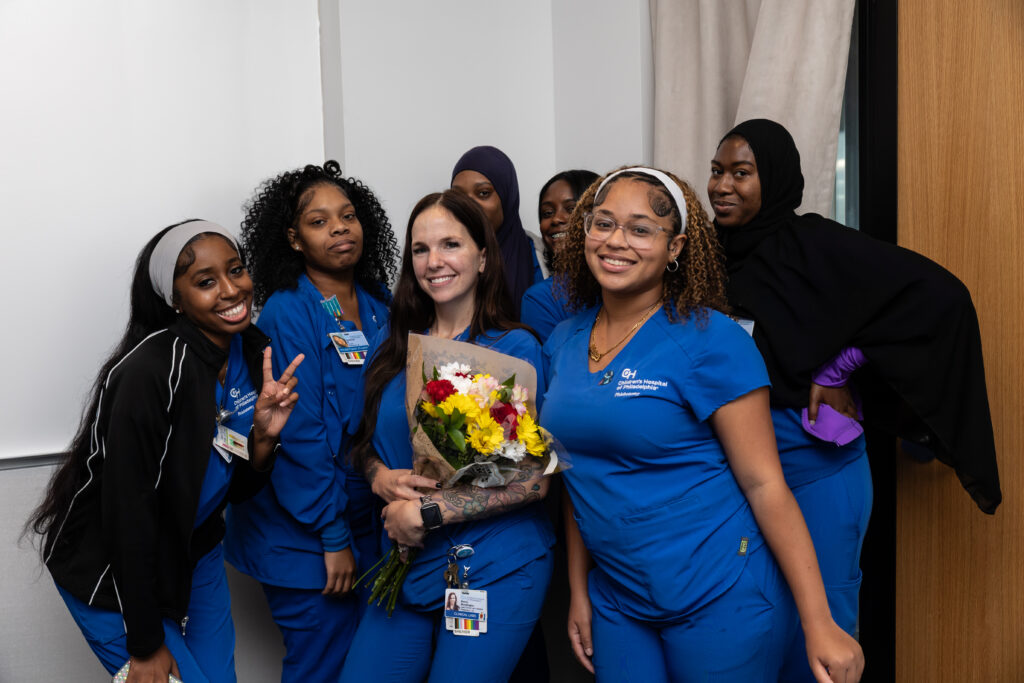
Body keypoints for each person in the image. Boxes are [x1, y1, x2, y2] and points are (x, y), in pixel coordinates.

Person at [540, 167, 863, 681]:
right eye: (602, 224)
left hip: (719, 593)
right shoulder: (562, 340)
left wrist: (819, 621)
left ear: (675, 248)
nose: (615, 241)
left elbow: (765, 485)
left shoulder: (713, 339)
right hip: (619, 599)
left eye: (641, 229)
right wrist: (579, 592)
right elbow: (575, 476)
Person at [708, 118, 1000, 680]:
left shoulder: (815, 243)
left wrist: (842, 365)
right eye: (717, 171)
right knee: (750, 617)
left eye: (741, 173)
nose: (723, 185)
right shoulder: (705, 259)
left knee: (823, 629)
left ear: (776, 180)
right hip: (732, 467)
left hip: (814, 462)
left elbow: (938, 297)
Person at [28, 220, 303, 683]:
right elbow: (127, 515)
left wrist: (263, 442)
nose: (231, 290)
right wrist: (145, 643)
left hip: (196, 552)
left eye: (236, 270)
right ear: (174, 299)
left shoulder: (255, 353)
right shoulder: (149, 373)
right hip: (114, 568)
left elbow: (234, 489)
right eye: (205, 281)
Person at [339, 190, 555, 683]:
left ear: (483, 256)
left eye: (450, 244)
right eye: (420, 249)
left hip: (493, 564)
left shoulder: (515, 349)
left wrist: (425, 511)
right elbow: (359, 444)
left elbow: (534, 480)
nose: (434, 261)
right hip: (407, 560)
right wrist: (379, 479)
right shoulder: (391, 345)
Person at [222, 162, 400, 681]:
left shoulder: (378, 306)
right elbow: (299, 437)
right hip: (307, 531)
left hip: (366, 513)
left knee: (365, 666)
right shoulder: (287, 310)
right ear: (294, 239)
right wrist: (333, 537)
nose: (339, 228)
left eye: (347, 216)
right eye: (319, 222)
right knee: (322, 665)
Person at [451, 145, 543, 315]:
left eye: (483, 193)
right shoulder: (437, 261)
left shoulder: (542, 258)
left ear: (507, 197)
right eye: (459, 196)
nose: (469, 205)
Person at [521, 169, 599, 342]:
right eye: (547, 213)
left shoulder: (620, 283)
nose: (556, 219)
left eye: (571, 209)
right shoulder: (542, 298)